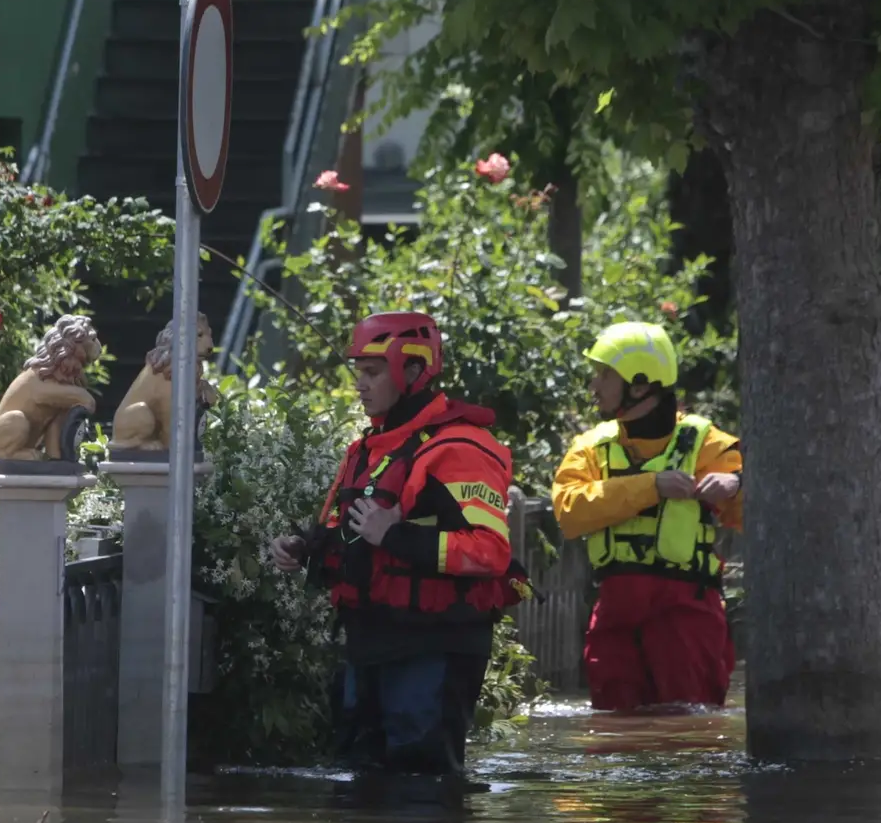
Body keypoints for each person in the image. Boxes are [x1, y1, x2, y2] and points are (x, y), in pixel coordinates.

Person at [270, 311, 521, 775]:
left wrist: (397, 535)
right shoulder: (368, 448)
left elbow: (490, 551)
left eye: (373, 372)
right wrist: (302, 547)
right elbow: (346, 533)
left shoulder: (459, 448)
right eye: (358, 373)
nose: (360, 385)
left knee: (421, 796)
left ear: (412, 369)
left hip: (434, 649)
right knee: (357, 793)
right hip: (370, 642)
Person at [550, 320, 743, 711]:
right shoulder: (589, 447)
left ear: (639, 386)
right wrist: (651, 485)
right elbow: (569, 513)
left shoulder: (706, 442)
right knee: (611, 737)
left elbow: (757, 509)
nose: (594, 385)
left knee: (691, 735)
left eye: (605, 374)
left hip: (687, 613)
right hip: (615, 615)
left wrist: (738, 484)